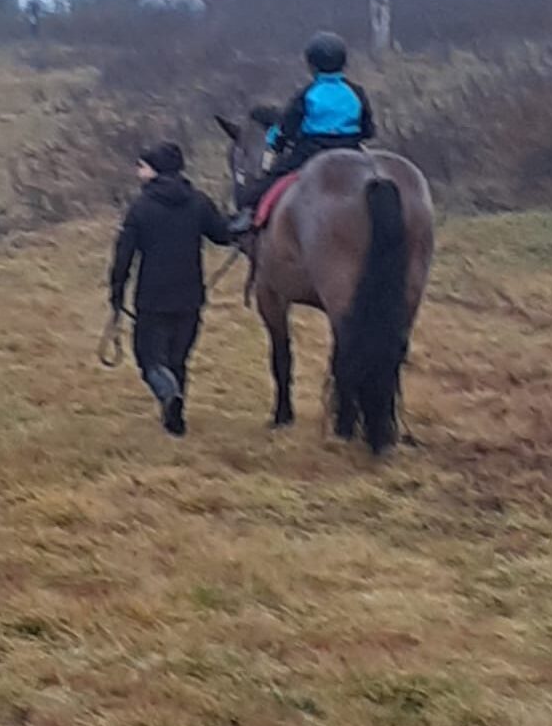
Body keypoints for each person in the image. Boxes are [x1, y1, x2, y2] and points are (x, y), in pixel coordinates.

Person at [109, 143, 233, 437]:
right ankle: (175, 421)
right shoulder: (199, 201)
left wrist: (116, 292)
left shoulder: (141, 208)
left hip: (152, 299)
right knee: (178, 360)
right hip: (191, 297)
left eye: (142, 166)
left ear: (154, 170)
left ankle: (168, 397)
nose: (138, 172)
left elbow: (124, 254)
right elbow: (223, 235)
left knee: (149, 359)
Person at [231, 32, 376, 234]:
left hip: (311, 152)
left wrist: (275, 144)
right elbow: (369, 129)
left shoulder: (307, 93)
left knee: (271, 180)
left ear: (312, 64)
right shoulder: (356, 91)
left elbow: (285, 129)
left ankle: (249, 215)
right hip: (351, 150)